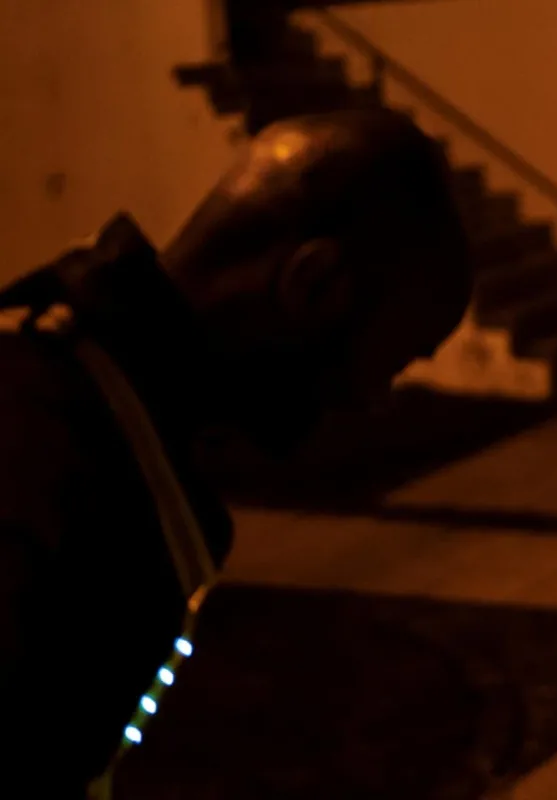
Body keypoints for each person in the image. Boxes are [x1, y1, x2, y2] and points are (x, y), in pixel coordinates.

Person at [0, 108, 470, 797]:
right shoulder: (40, 442)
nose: (373, 403)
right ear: (313, 283)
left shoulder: (98, 404)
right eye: (391, 363)